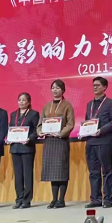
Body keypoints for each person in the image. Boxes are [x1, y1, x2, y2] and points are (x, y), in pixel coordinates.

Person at [80, 77, 112, 209]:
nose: (95, 87)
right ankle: (95, 199)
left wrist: (101, 130)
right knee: (93, 172)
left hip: (104, 141)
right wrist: (83, 131)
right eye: (93, 85)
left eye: (97, 85)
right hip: (90, 142)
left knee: (106, 171)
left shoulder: (110, 103)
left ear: (105, 87)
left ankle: (108, 199)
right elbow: (88, 121)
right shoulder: (89, 104)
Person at [38, 79, 75, 209]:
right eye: (53, 87)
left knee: (61, 170)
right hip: (49, 141)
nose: (55, 90)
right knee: (52, 171)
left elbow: (70, 123)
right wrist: (40, 132)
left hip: (61, 140)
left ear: (63, 90)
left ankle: (61, 199)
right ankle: (54, 199)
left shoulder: (67, 105)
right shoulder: (46, 106)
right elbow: (40, 123)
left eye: (57, 88)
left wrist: (61, 133)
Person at [8, 92, 39, 209]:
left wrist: (29, 139)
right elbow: (10, 129)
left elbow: (36, 130)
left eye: (24, 100)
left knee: (27, 175)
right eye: (19, 100)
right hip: (15, 148)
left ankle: (27, 200)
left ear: (29, 102)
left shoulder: (33, 114)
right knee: (18, 175)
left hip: (27, 148)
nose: (21, 102)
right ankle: (19, 199)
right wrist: (8, 138)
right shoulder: (13, 114)